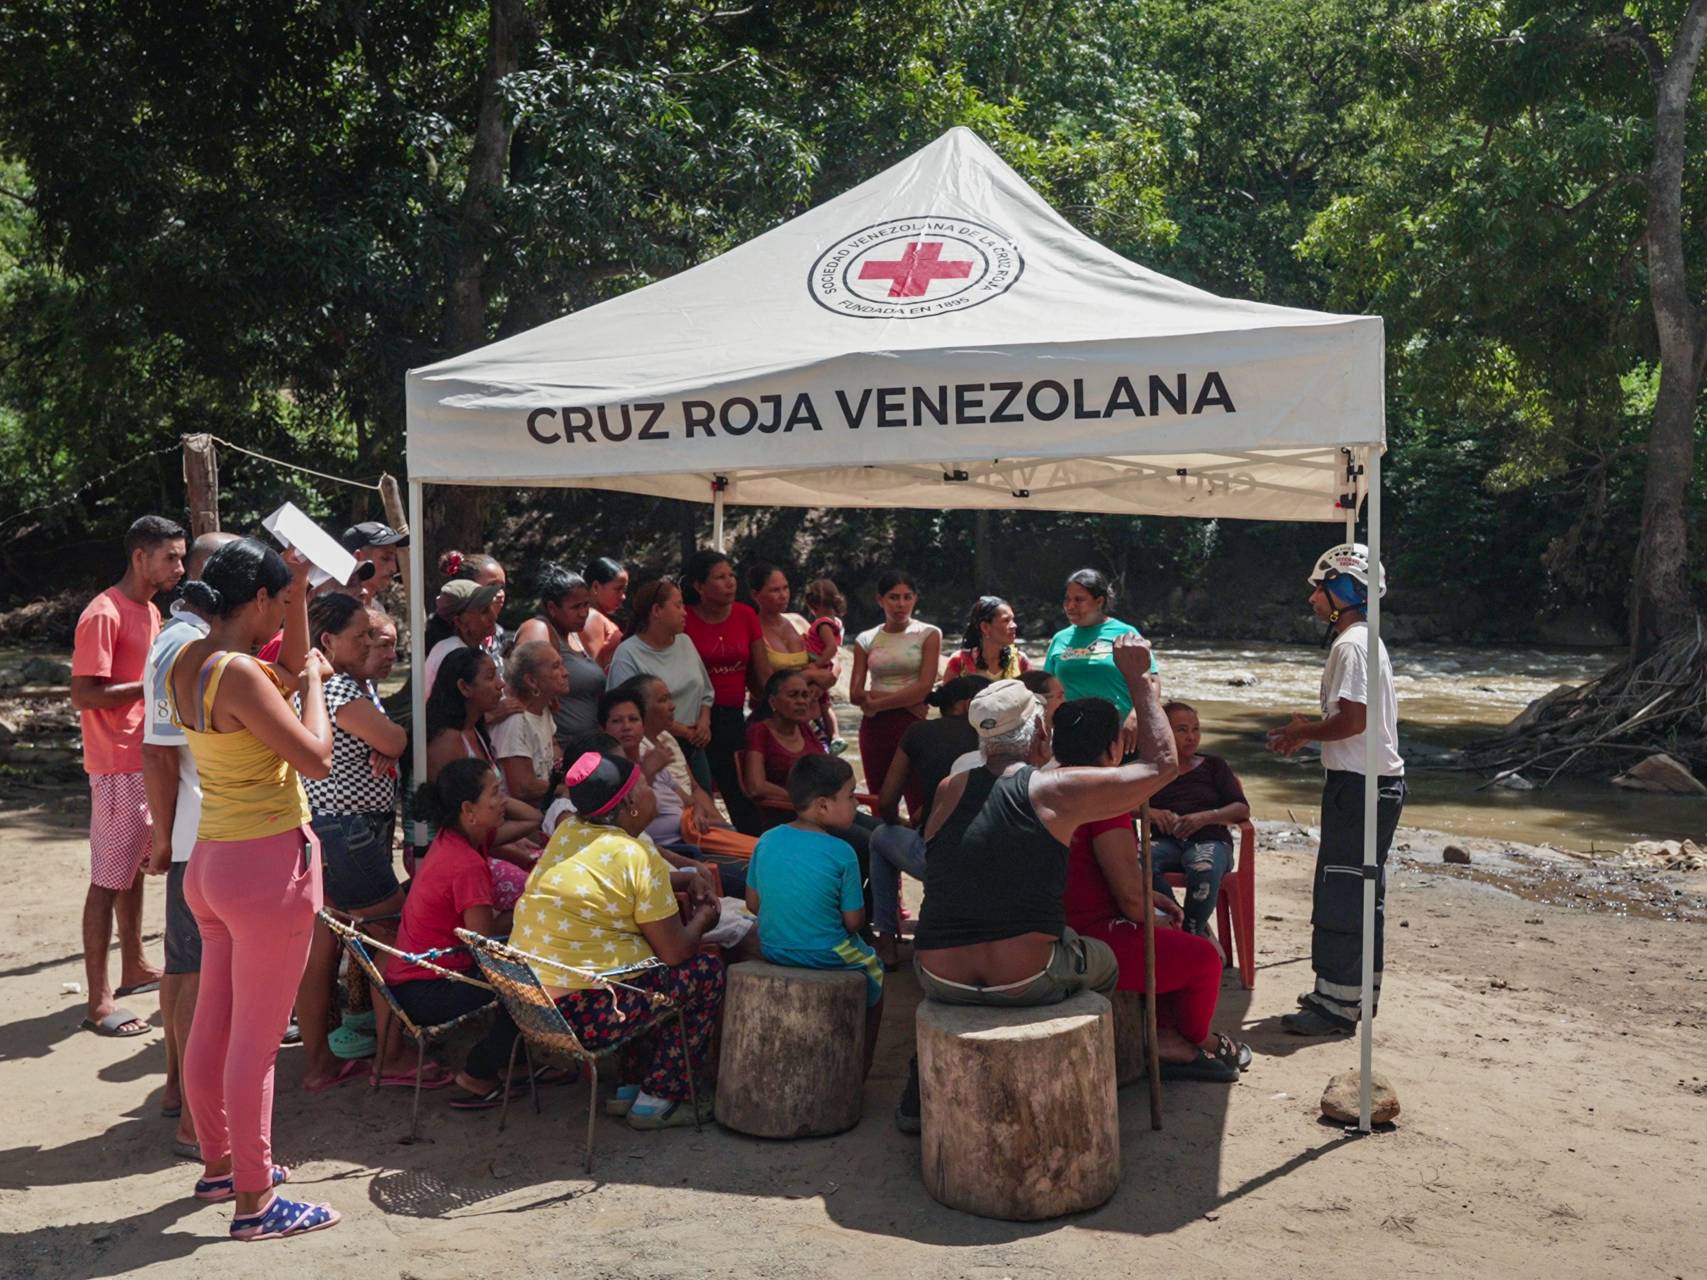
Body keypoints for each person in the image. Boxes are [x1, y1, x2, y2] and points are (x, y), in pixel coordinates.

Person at [896, 636, 1174, 1131]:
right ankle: (1069, 1098)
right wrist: (1140, 685)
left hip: (935, 975)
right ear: (1042, 733)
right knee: (1102, 965)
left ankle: (922, 1088)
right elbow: (1160, 767)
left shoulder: (947, 788)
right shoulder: (1054, 789)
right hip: (1024, 978)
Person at [165, 537, 339, 1240]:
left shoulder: (189, 658)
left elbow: (277, 677)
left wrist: (296, 589)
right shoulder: (241, 673)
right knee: (257, 1043)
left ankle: (220, 1165)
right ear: (258, 601)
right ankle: (256, 1202)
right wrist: (322, 685)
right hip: (266, 869)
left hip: (212, 864)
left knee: (215, 1018)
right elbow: (319, 757)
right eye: (281, 602)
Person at [512, 751, 725, 1129]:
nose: (650, 792)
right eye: (644, 786)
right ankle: (660, 1098)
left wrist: (680, 878)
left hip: (534, 1006)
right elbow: (676, 951)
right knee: (702, 971)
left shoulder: (568, 832)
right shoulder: (635, 854)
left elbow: (615, 884)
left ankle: (631, 1087)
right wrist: (705, 919)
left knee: (636, 961)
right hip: (585, 1015)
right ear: (629, 803)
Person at [1053, 697, 1250, 1083]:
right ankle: (1195, 1040)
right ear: (1113, 748)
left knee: (1168, 929)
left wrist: (1151, 902)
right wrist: (1153, 913)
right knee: (1204, 957)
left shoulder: (1042, 782)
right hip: (1085, 935)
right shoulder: (1104, 800)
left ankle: (1165, 1031)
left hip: (1051, 924)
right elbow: (1129, 900)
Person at [1268, 543, 1405, 1036]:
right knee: (1361, 889)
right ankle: (1350, 994)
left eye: (1319, 590)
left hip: (1361, 787)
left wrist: (1302, 732)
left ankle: (1336, 1007)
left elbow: (1351, 721)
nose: (1312, 601)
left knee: (1342, 890)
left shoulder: (1351, 645)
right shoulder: (1364, 641)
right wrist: (1306, 731)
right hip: (1373, 783)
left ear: (1344, 591)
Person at [294, 592, 425, 1094]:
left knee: (322, 944)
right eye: (361, 636)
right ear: (328, 641)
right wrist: (388, 742)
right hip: (351, 830)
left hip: (330, 827)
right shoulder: (341, 689)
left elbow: (381, 743)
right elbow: (393, 741)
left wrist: (384, 743)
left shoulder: (322, 685)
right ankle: (390, 1057)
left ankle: (319, 1062)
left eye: (374, 635)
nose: (371, 643)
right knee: (386, 932)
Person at [72, 514, 186, 1038]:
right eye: (171, 557)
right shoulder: (103, 613)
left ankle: (134, 964)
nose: (179, 567)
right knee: (107, 879)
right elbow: (86, 694)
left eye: (182, 557)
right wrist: (150, 684)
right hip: (117, 764)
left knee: (134, 870)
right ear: (140, 557)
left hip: (146, 756)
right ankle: (98, 1002)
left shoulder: (150, 609)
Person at [141, 530, 235, 1156]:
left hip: (193, 832)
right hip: (200, 834)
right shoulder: (187, 648)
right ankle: (192, 1119)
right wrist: (164, 838)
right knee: (198, 969)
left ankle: (178, 1089)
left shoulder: (179, 640)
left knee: (183, 965)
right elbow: (158, 752)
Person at [386, 758, 534, 1110]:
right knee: (528, 983)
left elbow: (532, 819)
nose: (502, 801)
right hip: (429, 989)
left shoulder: (456, 837)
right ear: (468, 809)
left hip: (415, 978)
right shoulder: (465, 864)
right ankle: (479, 1072)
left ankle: (515, 1063)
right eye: (496, 794)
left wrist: (492, 793)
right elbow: (484, 946)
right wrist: (524, 914)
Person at [746, 755, 883, 1074]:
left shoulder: (767, 839)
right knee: (875, 970)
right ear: (822, 805)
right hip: (826, 952)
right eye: (850, 796)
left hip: (772, 947)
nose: (855, 804)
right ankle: (863, 1063)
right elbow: (853, 922)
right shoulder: (842, 852)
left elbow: (754, 904)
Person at [867, 675, 990, 966]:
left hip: (936, 858)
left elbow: (886, 800)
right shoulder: (998, 735)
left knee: (880, 837)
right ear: (968, 705)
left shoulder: (918, 732)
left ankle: (886, 938)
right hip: (992, 858)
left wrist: (898, 821)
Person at [423, 647, 544, 910]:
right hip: (455, 851)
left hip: (486, 842)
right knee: (534, 893)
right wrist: (515, 850)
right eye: (490, 677)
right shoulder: (448, 742)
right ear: (464, 688)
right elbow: (458, 826)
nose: (501, 684)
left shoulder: (476, 732)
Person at [599, 682, 744, 898]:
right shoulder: (608, 774)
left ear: (643, 724)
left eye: (633, 719)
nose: (626, 726)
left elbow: (692, 802)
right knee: (751, 876)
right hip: (671, 852)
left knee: (761, 859)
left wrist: (696, 813)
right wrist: (646, 773)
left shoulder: (655, 761)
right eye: (617, 721)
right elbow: (625, 825)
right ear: (604, 729)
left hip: (696, 839)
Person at [1147, 701, 1251, 948]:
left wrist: (1204, 817)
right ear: (1162, 732)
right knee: (1138, 862)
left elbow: (1241, 809)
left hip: (1210, 841)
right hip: (1166, 842)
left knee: (1203, 868)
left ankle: (1189, 938)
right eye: (1182, 730)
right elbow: (1122, 804)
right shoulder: (1151, 769)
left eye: (1196, 729)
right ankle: (1180, 921)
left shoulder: (1214, 765)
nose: (1191, 736)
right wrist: (1151, 812)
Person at [681, 549, 765, 834]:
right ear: (699, 586)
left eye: (731, 576)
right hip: (693, 720)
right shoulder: (684, 618)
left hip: (732, 715)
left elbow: (761, 674)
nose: (730, 583)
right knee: (699, 793)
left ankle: (752, 854)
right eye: (720, 578)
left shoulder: (745, 615)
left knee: (740, 793)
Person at [605, 579, 715, 787]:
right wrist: (682, 731)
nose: (685, 612)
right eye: (678, 605)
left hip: (695, 744)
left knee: (703, 803)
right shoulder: (628, 654)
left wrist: (704, 720)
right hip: (654, 748)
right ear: (657, 610)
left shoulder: (685, 642)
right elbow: (627, 710)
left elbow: (705, 690)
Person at [848, 569, 941, 815]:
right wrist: (902, 702)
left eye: (907, 597)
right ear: (880, 600)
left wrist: (877, 701)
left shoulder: (929, 634)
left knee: (919, 799)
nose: (901, 604)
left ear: (915, 599)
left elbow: (923, 688)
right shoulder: (866, 639)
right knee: (879, 800)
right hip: (876, 727)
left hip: (912, 725)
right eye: (893, 597)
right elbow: (855, 694)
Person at [1043, 568, 1159, 754]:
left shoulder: (1125, 634)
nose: (1070, 606)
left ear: (1099, 601)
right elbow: (1046, 687)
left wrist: (1137, 716)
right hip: (1070, 735)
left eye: (1079, 600)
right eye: (1067, 599)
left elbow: (1152, 681)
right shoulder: (1060, 639)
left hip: (1120, 736)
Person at [513, 564, 603, 751]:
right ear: (552, 607)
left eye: (586, 604)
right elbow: (524, 687)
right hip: (561, 750)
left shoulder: (574, 635)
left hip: (590, 747)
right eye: (576, 607)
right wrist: (554, 748)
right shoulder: (539, 629)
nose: (584, 613)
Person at [490, 640, 566, 805]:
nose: (565, 672)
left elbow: (556, 759)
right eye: (555, 667)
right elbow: (522, 788)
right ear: (531, 681)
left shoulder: (543, 708)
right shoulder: (515, 719)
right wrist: (565, 789)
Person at [802, 577, 847, 750]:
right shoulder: (836, 622)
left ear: (812, 605)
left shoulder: (822, 624)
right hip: (826, 665)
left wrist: (817, 665)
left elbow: (831, 648)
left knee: (821, 703)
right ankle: (834, 736)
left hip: (820, 664)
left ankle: (833, 736)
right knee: (825, 704)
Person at [944, 596, 1031, 681]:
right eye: (1006, 620)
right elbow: (946, 694)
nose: (1014, 625)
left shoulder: (1020, 660)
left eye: (1012, 620)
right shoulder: (960, 662)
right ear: (985, 627)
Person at [338, 522, 408, 603]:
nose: (394, 568)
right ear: (357, 558)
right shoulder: (333, 611)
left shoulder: (379, 609)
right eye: (385, 558)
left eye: (394, 559)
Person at [582, 555, 629, 670]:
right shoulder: (592, 618)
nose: (623, 597)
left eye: (624, 590)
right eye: (618, 589)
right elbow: (594, 672)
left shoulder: (598, 618)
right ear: (596, 587)